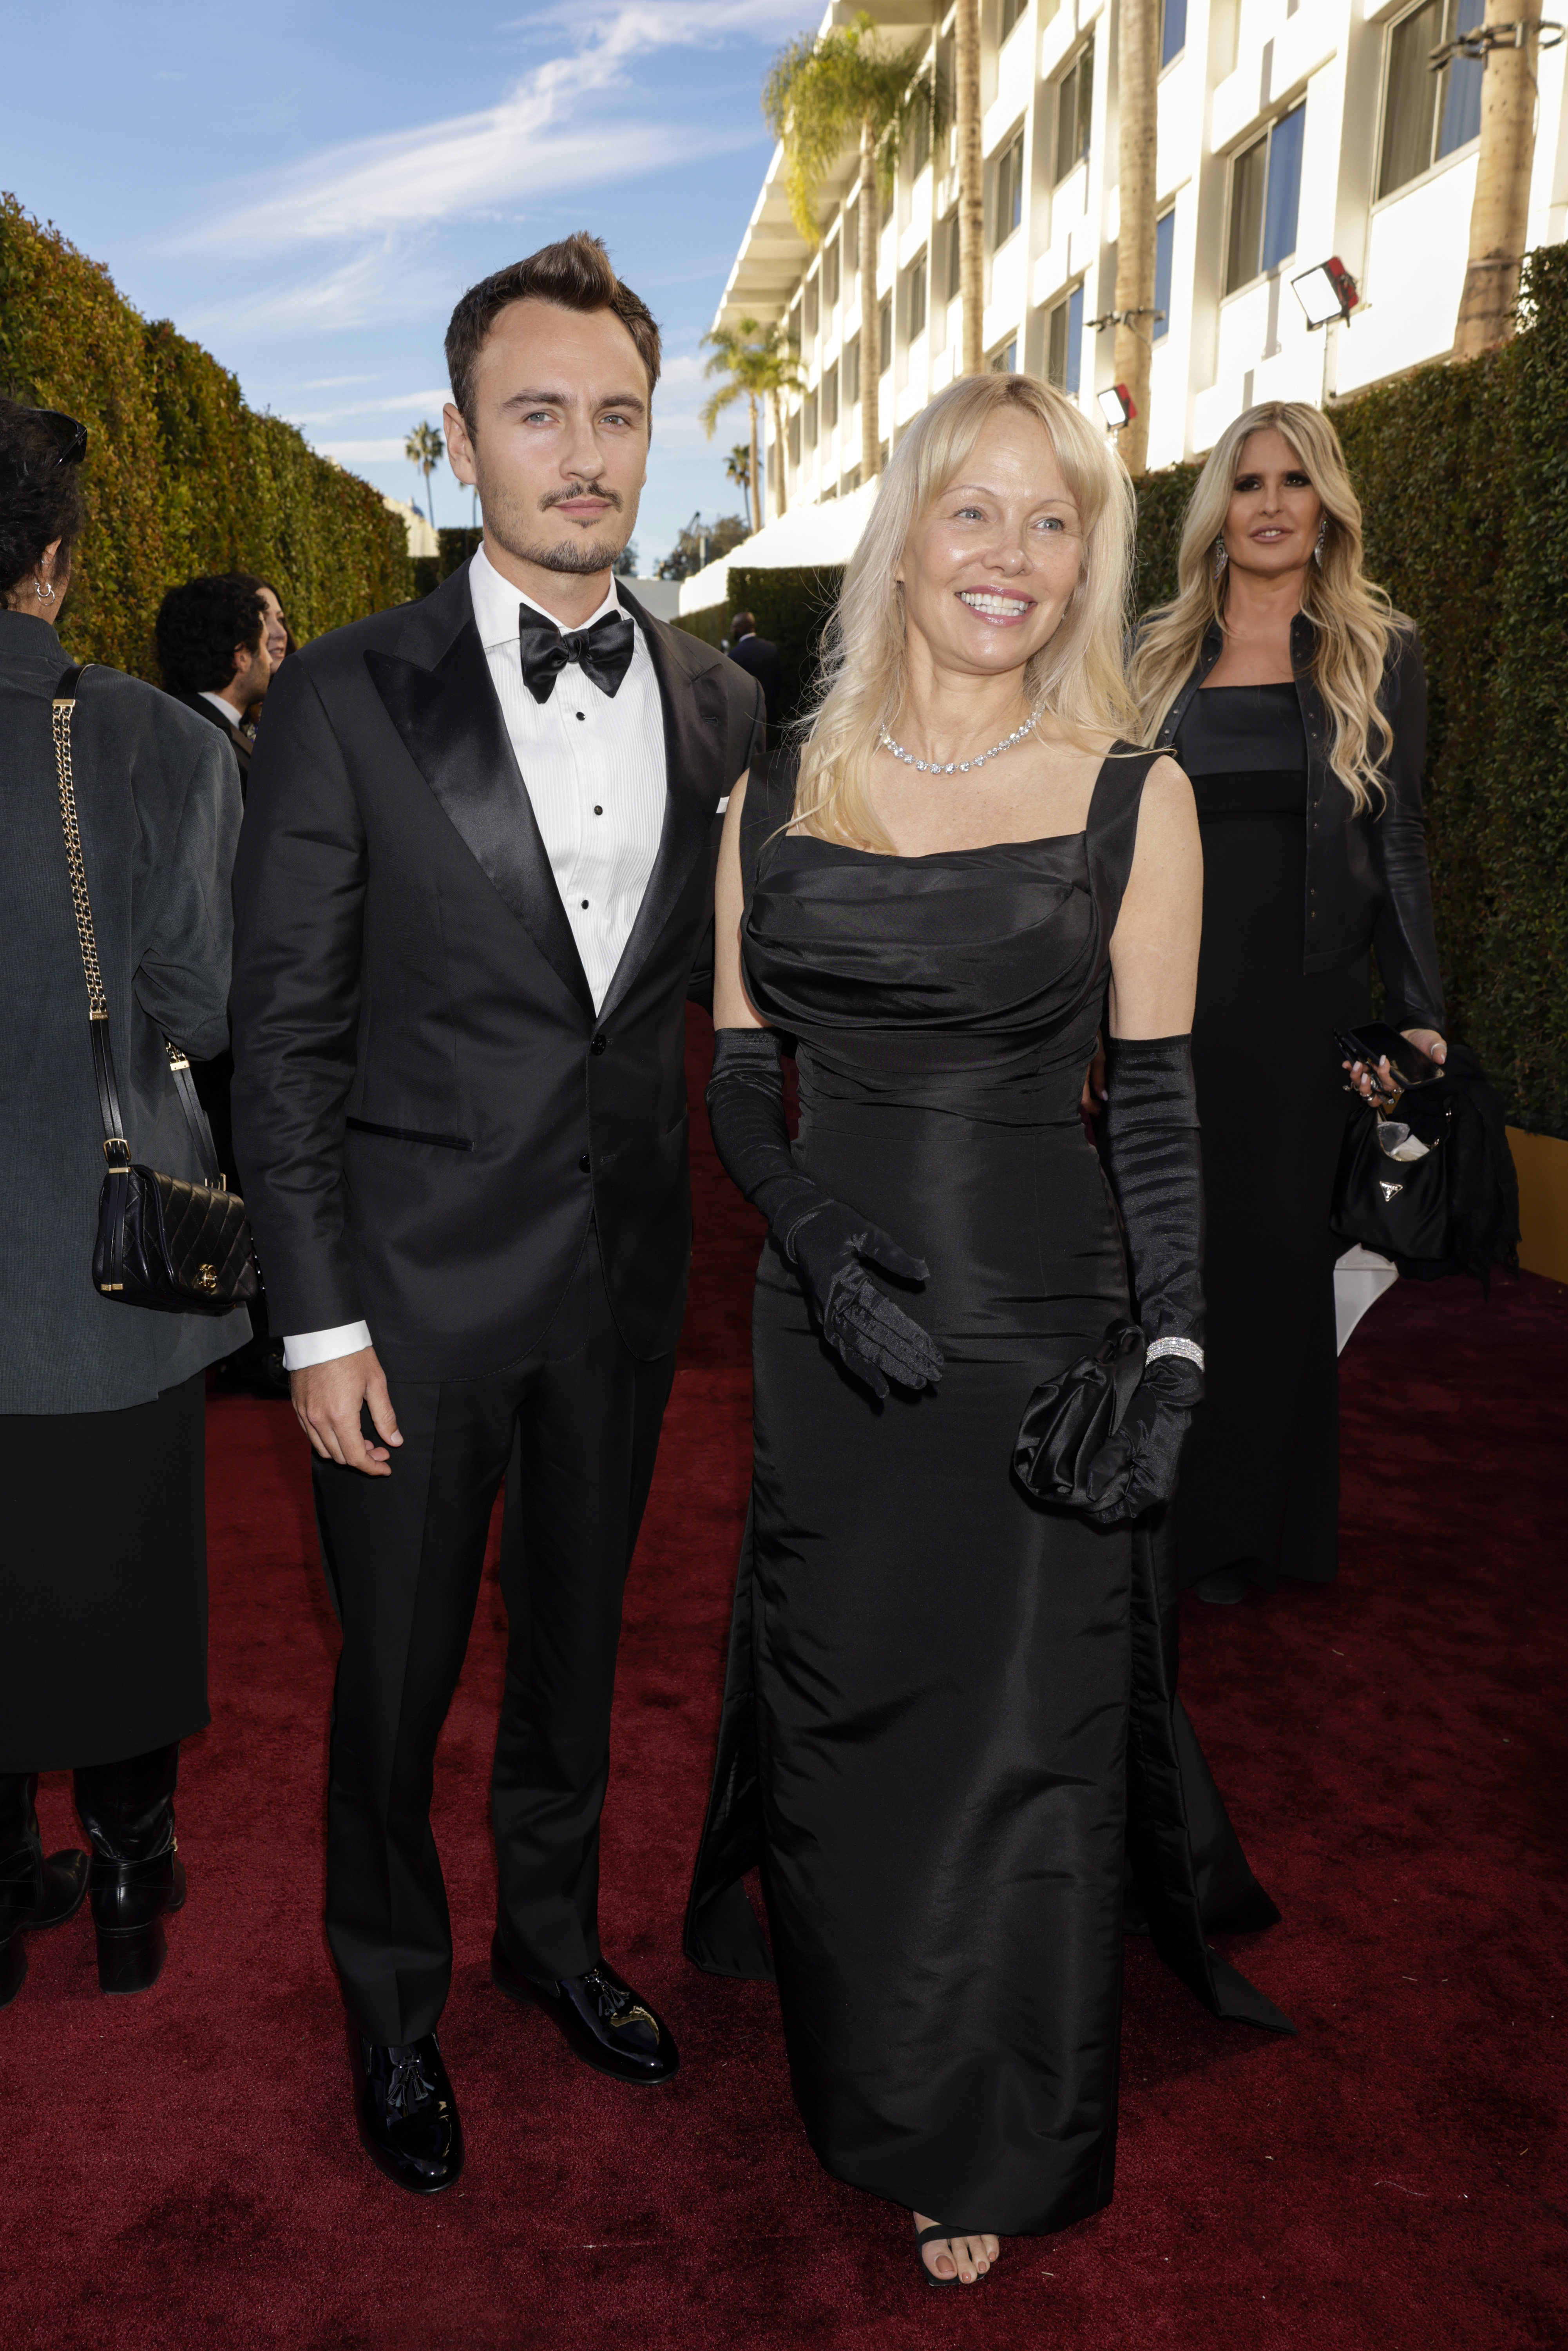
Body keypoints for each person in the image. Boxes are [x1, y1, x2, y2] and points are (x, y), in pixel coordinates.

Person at [686, 373, 1287, 2289]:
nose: (1009, 559)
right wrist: (809, 1233)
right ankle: (865, 2044)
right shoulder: (769, 794)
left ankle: (989, 2124)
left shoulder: (1136, 794)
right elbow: (730, 1075)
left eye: (1052, 525)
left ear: (1089, 558)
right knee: (855, 1707)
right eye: (974, 514)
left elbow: (1163, 1105)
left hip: (1042, 1326)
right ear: (903, 531)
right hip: (827, 1332)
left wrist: (1175, 1348)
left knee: (1018, 1730)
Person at [229, 233, 764, 2197]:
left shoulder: (715, 701)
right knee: (388, 1688)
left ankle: (554, 1941)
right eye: (537, 413)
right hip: (406, 1307)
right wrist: (313, 1323)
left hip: (619, 1295)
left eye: (617, 412)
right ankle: (391, 2008)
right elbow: (276, 1040)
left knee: (572, 1653)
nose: (585, 452)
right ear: (459, 442)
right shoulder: (348, 699)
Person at [0, 400, 247, 2007]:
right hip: (102, 1268)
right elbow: (202, 1001)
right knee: (122, 1585)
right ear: (58, 560)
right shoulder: (156, 738)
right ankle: (130, 1887)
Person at [1128, 403, 1446, 1605]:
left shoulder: (1377, 650)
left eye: (1293, 482)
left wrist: (1416, 1006)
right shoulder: (1155, 652)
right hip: (1169, 995)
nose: (1268, 503)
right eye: (1247, 481)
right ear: (1217, 505)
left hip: (1304, 1000)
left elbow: (1399, 834)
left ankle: (1245, 1532)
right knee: (1169, 1252)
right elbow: (1102, 842)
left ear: (1325, 508)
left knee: (1271, 1256)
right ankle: (1151, 1512)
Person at [154, 571, 273, 793]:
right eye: (265, 645)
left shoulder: (163, 724)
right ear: (242, 657)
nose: (270, 660)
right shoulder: (218, 749)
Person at [726, 608, 782, 727]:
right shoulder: (771, 649)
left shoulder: (734, 656)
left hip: (748, 720)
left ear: (741, 628)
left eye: (733, 627)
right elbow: (778, 683)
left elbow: (734, 691)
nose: (732, 630)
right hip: (770, 715)